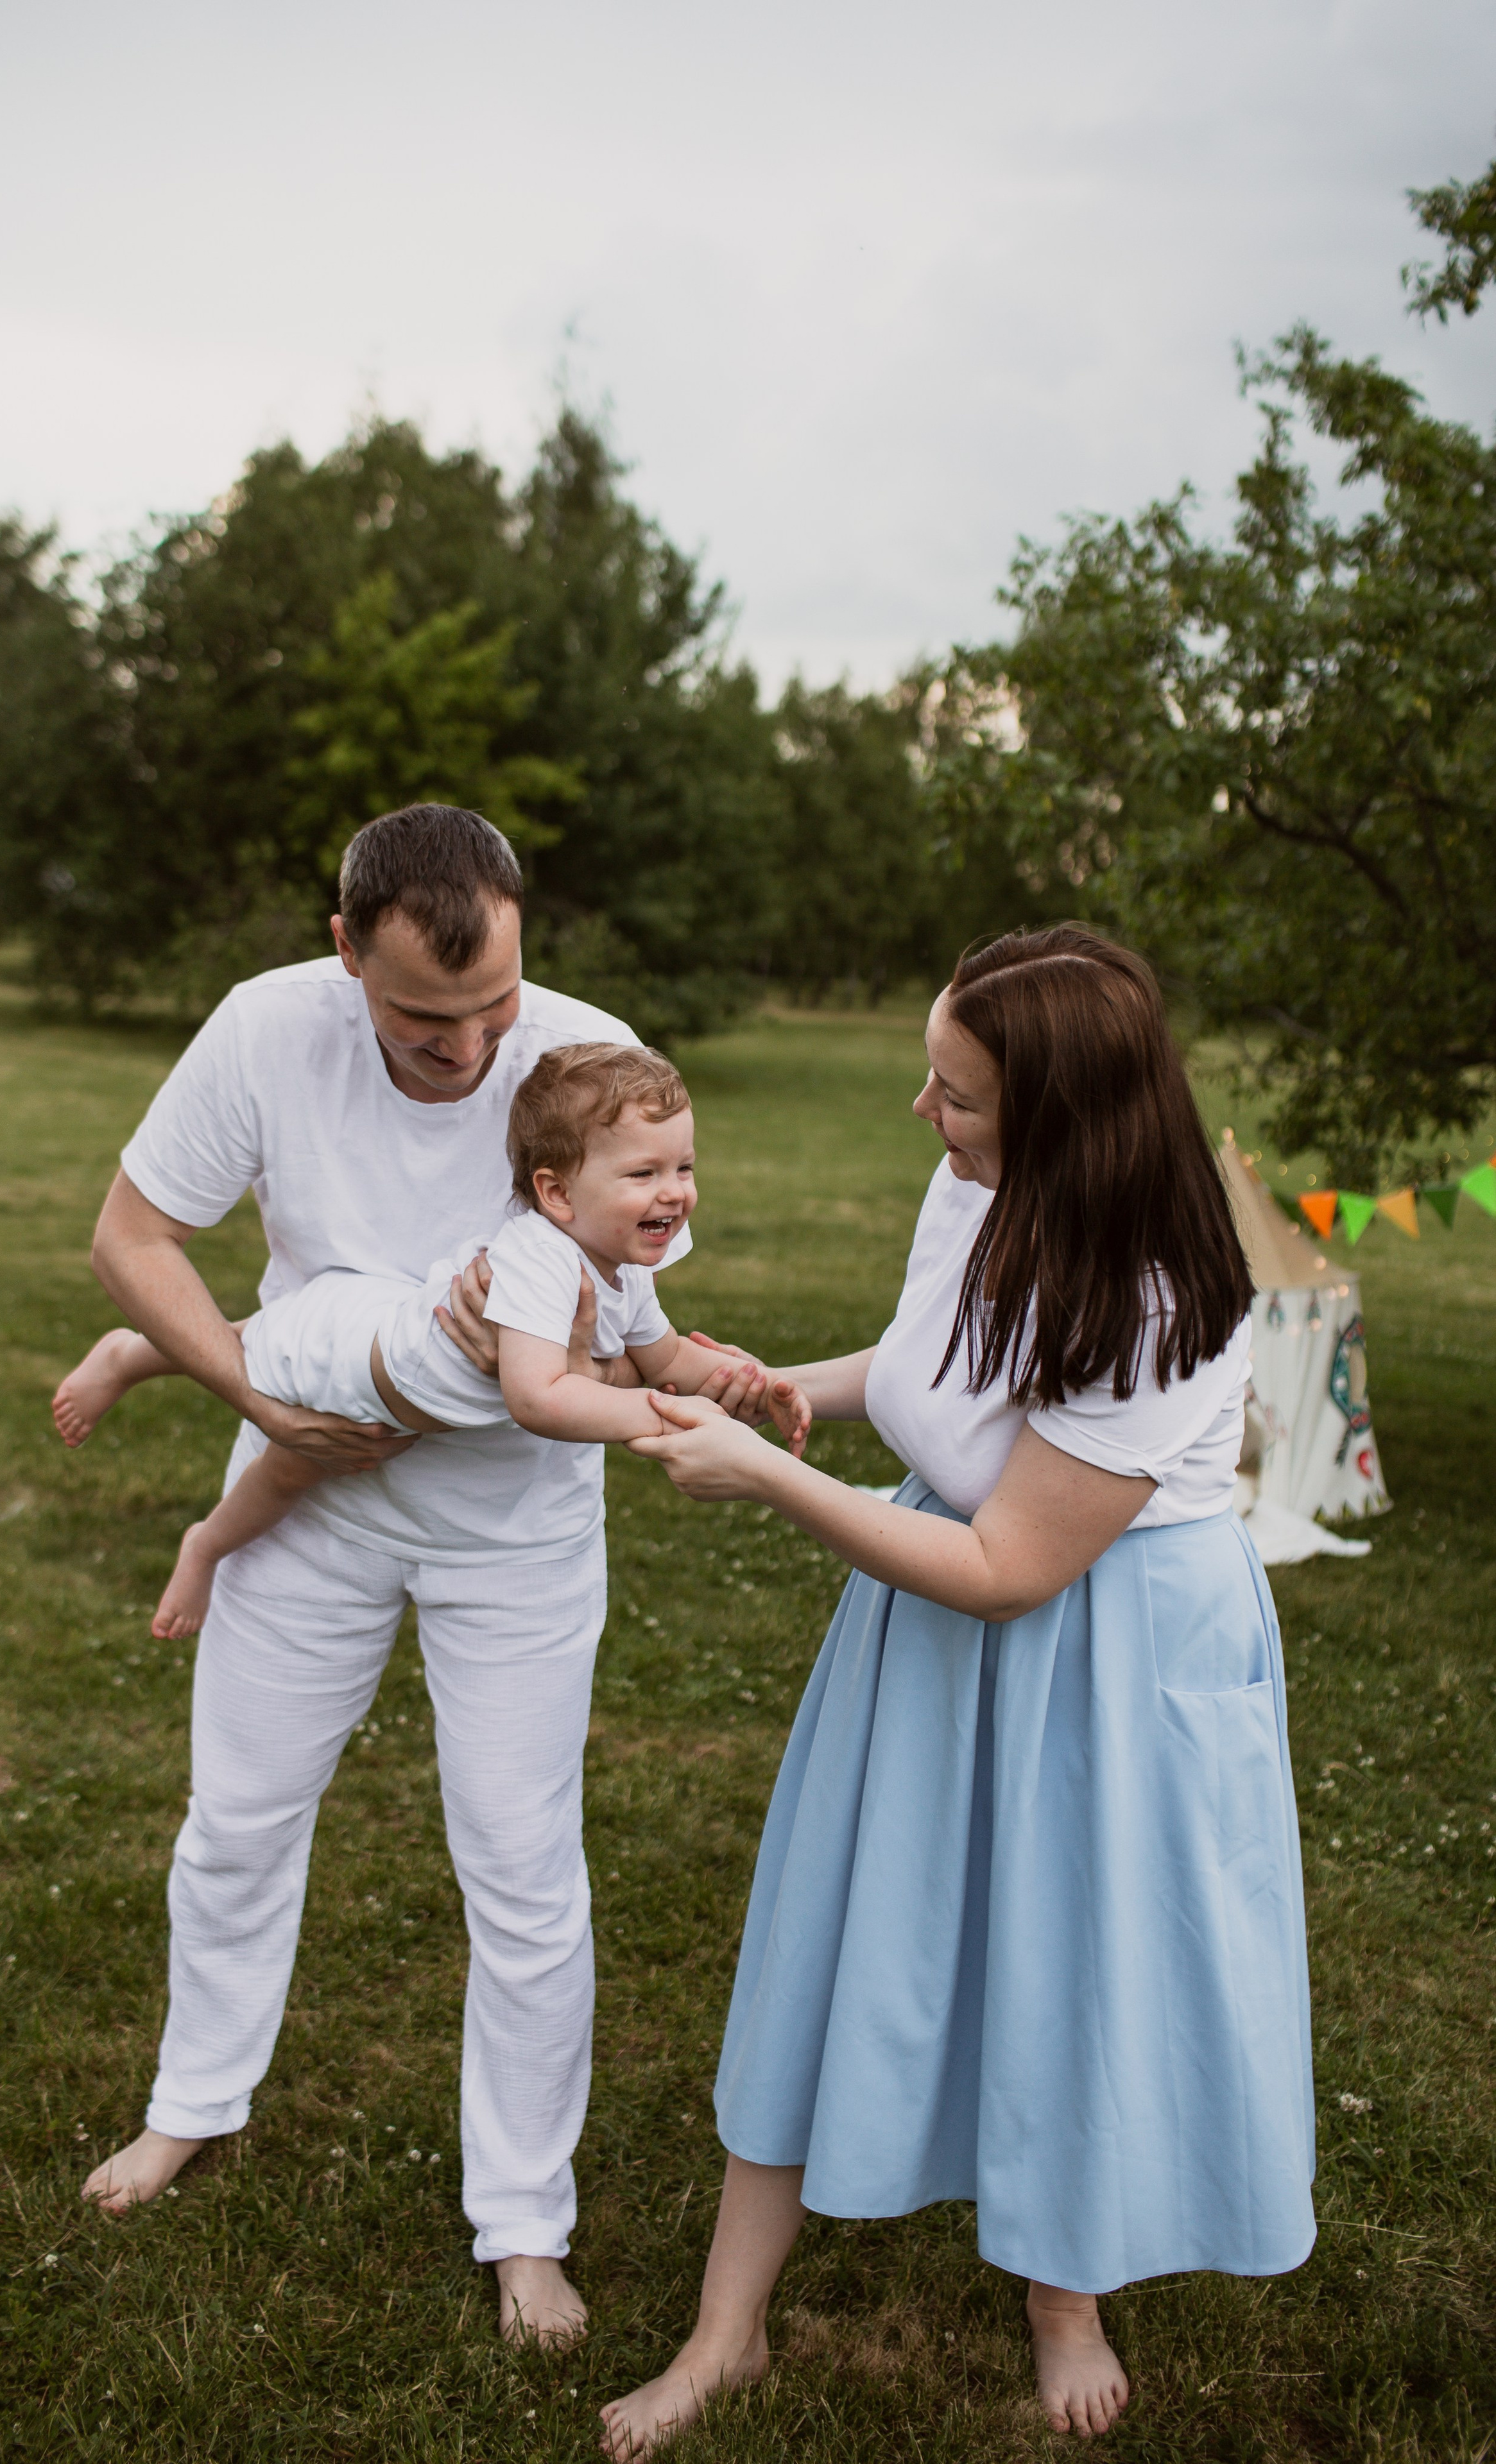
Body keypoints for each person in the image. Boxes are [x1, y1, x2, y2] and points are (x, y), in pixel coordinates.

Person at [57, 804, 782, 2347]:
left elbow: (632, 1315)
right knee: (237, 1818)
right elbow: (132, 1239)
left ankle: (523, 2220)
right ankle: (194, 2098)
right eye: (421, 1015)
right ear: (345, 951)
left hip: (513, 1530)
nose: (466, 1050)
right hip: (313, 1489)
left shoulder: (589, 1058)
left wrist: (687, 1375)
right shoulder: (267, 1029)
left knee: (523, 1875)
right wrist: (255, 1404)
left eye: (491, 1008)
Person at [598, 925, 1315, 2452]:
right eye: (931, 1079)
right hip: (938, 1599)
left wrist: (767, 1482)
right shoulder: (972, 1183)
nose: (924, 1116)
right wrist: (779, 1384)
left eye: (959, 1096)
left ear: (1061, 1123)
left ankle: (1066, 2294)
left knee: (1072, 1963)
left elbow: (1010, 1564)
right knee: (828, 1926)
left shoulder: (1162, 1300)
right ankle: (728, 2328)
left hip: (1105, 1652)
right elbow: (942, 1361)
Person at [59, 1043, 809, 1639]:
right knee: (279, 1448)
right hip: (352, 1360)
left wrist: (752, 1379)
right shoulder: (543, 1258)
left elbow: (668, 1358)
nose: (675, 1192)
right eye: (644, 1173)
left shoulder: (622, 1265)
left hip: (386, 1331)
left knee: (254, 1354)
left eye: (684, 1167)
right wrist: (664, 1414)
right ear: (555, 1193)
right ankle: (198, 1526)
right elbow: (539, 1398)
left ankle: (139, 1374)